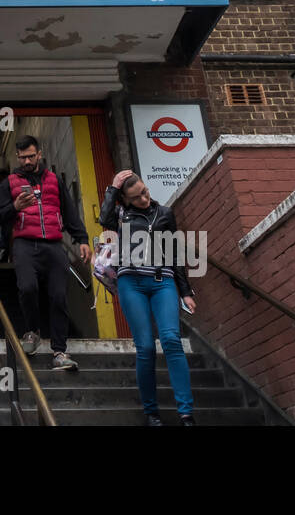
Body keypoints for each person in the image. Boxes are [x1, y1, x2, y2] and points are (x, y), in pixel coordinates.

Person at [99, 169, 197, 426]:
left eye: (145, 192)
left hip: (162, 281)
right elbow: (104, 219)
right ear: (127, 200)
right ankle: (151, 413)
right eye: (137, 197)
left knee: (171, 340)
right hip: (131, 283)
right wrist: (112, 187)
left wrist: (185, 291)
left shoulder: (164, 213)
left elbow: (175, 253)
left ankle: (186, 413)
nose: (144, 198)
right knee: (144, 347)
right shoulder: (120, 214)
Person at [0, 135, 90, 371]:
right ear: (17, 157)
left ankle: (60, 352)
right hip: (25, 244)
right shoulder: (10, 183)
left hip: (54, 245)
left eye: (31, 156)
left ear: (39, 154)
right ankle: (32, 332)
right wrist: (15, 207)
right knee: (27, 288)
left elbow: (69, 212)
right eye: (22, 157)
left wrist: (82, 239)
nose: (27, 161)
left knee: (58, 296)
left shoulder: (54, 181)